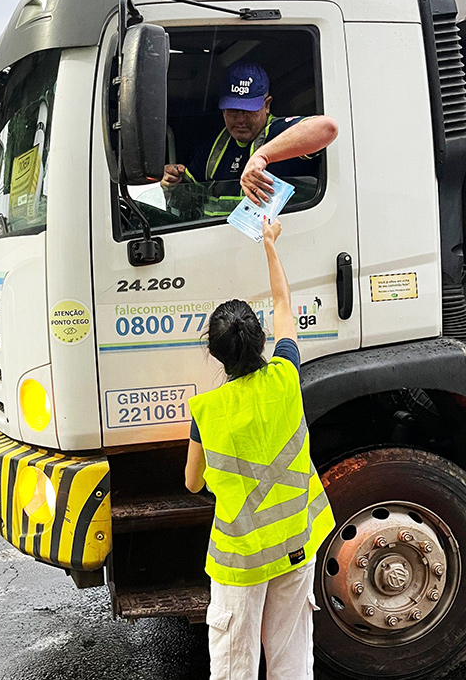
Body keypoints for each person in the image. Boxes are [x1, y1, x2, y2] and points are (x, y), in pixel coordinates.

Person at [185, 217, 335, 680]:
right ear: (262, 341)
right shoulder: (287, 377)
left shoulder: (207, 412)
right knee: (292, 660)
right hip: (295, 540)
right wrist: (269, 244)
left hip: (241, 557)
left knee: (235, 664)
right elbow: (285, 303)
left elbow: (191, 484)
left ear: (214, 354)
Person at [161, 61, 338, 207]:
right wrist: (173, 181)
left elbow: (327, 127)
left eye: (249, 110)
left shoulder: (278, 131)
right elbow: (190, 198)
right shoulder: (215, 146)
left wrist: (262, 157)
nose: (240, 119)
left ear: (267, 105)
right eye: (233, 110)